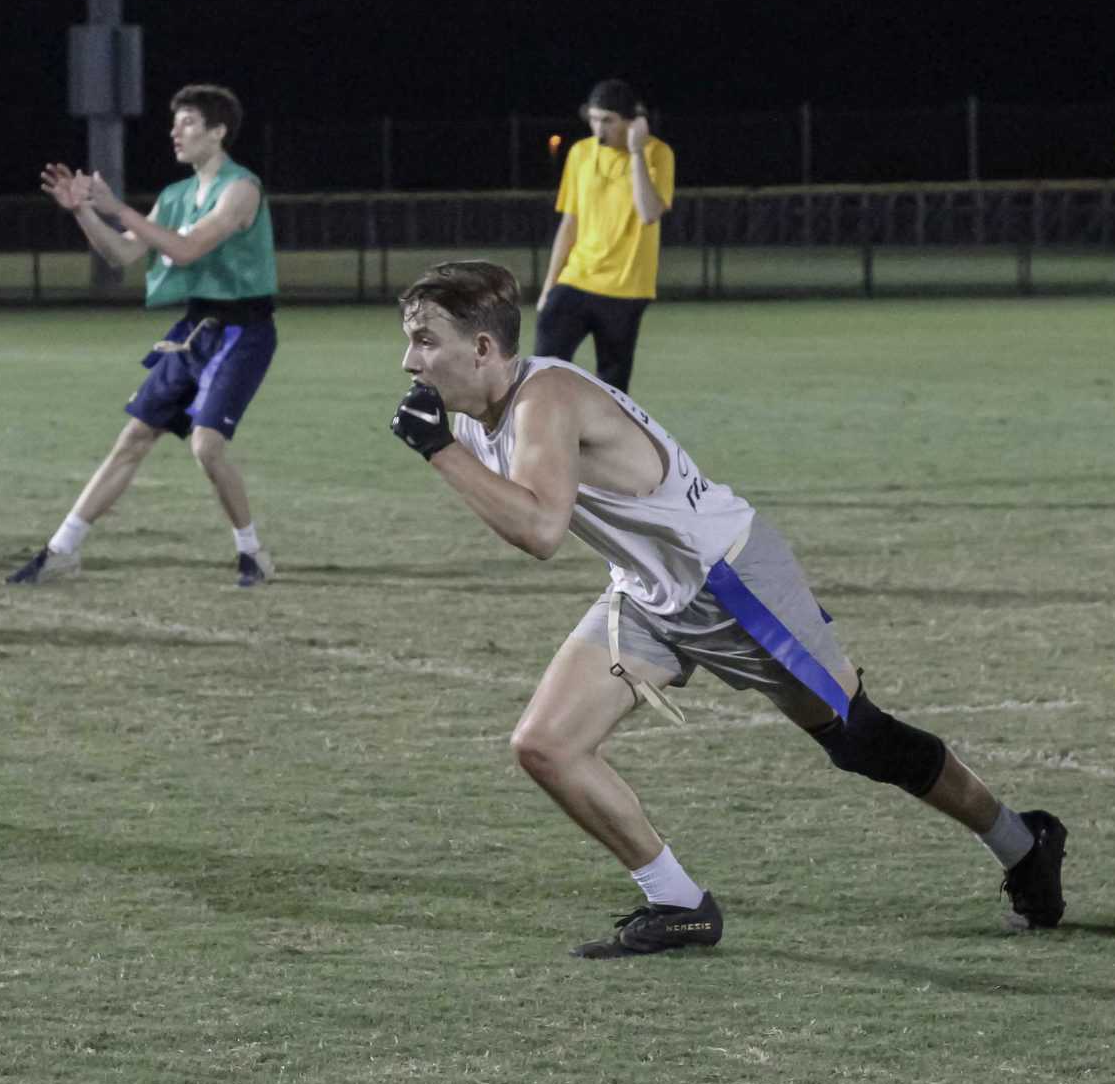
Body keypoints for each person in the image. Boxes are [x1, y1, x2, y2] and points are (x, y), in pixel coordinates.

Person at [389, 259, 1068, 958]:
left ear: (480, 348)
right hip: (650, 592)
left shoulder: (544, 398)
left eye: (424, 339)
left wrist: (437, 450)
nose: (410, 359)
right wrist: (447, 445)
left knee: (860, 739)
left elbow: (538, 530)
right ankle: (679, 902)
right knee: (545, 744)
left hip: (731, 581)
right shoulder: (474, 415)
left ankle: (1023, 841)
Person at [9, 83, 280, 590]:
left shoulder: (241, 189)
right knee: (132, 439)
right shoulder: (175, 196)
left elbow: (187, 250)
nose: (175, 132)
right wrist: (84, 211)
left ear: (218, 132)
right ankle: (61, 551)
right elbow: (122, 254)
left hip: (244, 332)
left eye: (189, 123)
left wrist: (116, 207)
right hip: (195, 330)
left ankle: (253, 554)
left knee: (206, 446)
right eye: (174, 123)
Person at [535, 78, 672, 393]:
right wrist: (549, 286)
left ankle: (601, 442)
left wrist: (637, 153)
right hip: (577, 279)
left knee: (613, 389)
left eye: (608, 120)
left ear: (632, 120)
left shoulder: (658, 154)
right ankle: (545, 436)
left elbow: (649, 212)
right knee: (542, 373)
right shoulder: (580, 154)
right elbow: (569, 223)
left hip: (626, 289)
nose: (599, 128)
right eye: (594, 119)